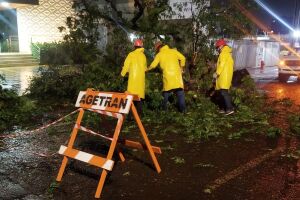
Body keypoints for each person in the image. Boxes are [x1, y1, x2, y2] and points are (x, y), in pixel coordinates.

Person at [147, 42, 186, 113]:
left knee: (166, 93)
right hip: (177, 77)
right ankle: (183, 111)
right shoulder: (174, 51)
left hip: (168, 77)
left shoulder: (159, 54)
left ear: (158, 48)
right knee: (180, 93)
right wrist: (181, 67)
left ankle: (163, 110)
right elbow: (183, 58)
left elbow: (153, 65)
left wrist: (146, 69)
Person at [121, 39, 147, 116]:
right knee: (139, 98)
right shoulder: (143, 56)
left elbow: (126, 66)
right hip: (140, 80)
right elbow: (145, 69)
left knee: (130, 98)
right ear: (141, 46)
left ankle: (130, 116)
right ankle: (139, 115)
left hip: (132, 79)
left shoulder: (131, 54)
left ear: (134, 46)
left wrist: (122, 74)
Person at [214, 38, 234, 115]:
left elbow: (222, 64)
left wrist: (217, 73)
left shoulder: (224, 53)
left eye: (218, 47)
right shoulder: (226, 52)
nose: (217, 48)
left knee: (224, 92)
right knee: (221, 92)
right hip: (225, 75)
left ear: (221, 46)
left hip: (223, 76)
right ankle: (223, 108)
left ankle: (229, 108)